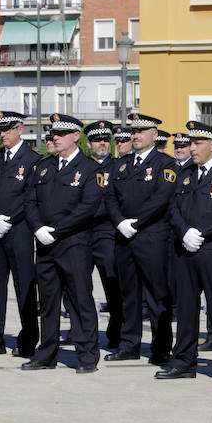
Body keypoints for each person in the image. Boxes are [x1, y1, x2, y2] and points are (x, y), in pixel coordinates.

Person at [157, 121, 212, 382]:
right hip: (185, 250)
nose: (191, 148)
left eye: (197, 143)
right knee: (185, 307)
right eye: (190, 143)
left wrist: (201, 232)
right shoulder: (184, 174)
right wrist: (185, 232)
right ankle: (184, 361)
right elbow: (172, 207)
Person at [24, 114, 102, 371]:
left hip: (74, 244)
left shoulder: (90, 170)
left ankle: (88, 355)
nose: (54, 138)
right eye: (53, 134)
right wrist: (37, 228)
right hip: (45, 245)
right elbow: (31, 202)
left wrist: (55, 230)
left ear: (75, 137)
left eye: (60, 134)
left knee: (80, 300)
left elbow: (87, 207)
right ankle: (46, 354)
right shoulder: (43, 167)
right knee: (48, 302)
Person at [104, 113, 178, 365]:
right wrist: (120, 222)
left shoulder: (165, 164)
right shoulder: (121, 165)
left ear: (154, 135)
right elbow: (110, 197)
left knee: (157, 296)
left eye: (141, 131)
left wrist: (135, 223)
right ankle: (129, 344)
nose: (135, 135)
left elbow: (161, 199)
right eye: (133, 131)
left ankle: (161, 348)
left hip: (153, 238)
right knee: (128, 294)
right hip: (124, 238)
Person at [0, 111, 42, 357]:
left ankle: (27, 341)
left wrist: (10, 220)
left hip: (20, 231)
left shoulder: (33, 159)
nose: (2, 134)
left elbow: (31, 197)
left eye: (7, 129)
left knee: (24, 286)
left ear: (20, 129)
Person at [84, 120, 123, 350]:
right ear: (89, 143)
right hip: (83, 232)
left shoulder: (119, 166)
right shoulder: (82, 166)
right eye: (97, 140)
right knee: (80, 287)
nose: (102, 144)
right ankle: (84, 332)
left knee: (113, 285)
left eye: (106, 140)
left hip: (107, 233)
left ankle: (116, 332)